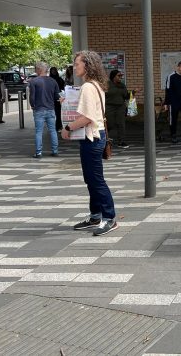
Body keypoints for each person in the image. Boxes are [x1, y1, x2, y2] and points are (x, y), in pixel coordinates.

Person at [61, 50, 118, 236]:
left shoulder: (88, 87)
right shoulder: (95, 85)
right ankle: (95, 216)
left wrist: (67, 128)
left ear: (87, 65)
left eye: (77, 63)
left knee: (96, 180)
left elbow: (86, 117)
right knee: (91, 179)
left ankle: (109, 218)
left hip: (91, 137)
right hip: (96, 136)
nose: (74, 66)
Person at [28, 62, 60, 159]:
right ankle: (55, 151)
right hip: (50, 109)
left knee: (38, 131)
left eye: (35, 69)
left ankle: (38, 153)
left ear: (38, 70)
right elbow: (56, 96)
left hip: (39, 109)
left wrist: (33, 106)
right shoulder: (53, 81)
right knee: (53, 131)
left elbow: (32, 97)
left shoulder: (34, 82)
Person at [105, 69, 132, 148]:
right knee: (110, 123)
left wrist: (133, 92)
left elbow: (126, 96)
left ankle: (122, 141)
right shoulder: (107, 84)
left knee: (121, 124)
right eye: (119, 76)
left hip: (120, 107)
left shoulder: (122, 85)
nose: (121, 77)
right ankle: (104, 137)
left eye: (121, 76)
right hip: (109, 106)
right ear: (113, 76)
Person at [49, 66, 66, 130]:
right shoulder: (49, 79)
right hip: (51, 98)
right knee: (51, 114)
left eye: (54, 70)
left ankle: (58, 126)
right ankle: (55, 126)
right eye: (52, 70)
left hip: (58, 98)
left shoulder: (59, 79)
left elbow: (63, 86)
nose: (53, 72)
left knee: (58, 113)